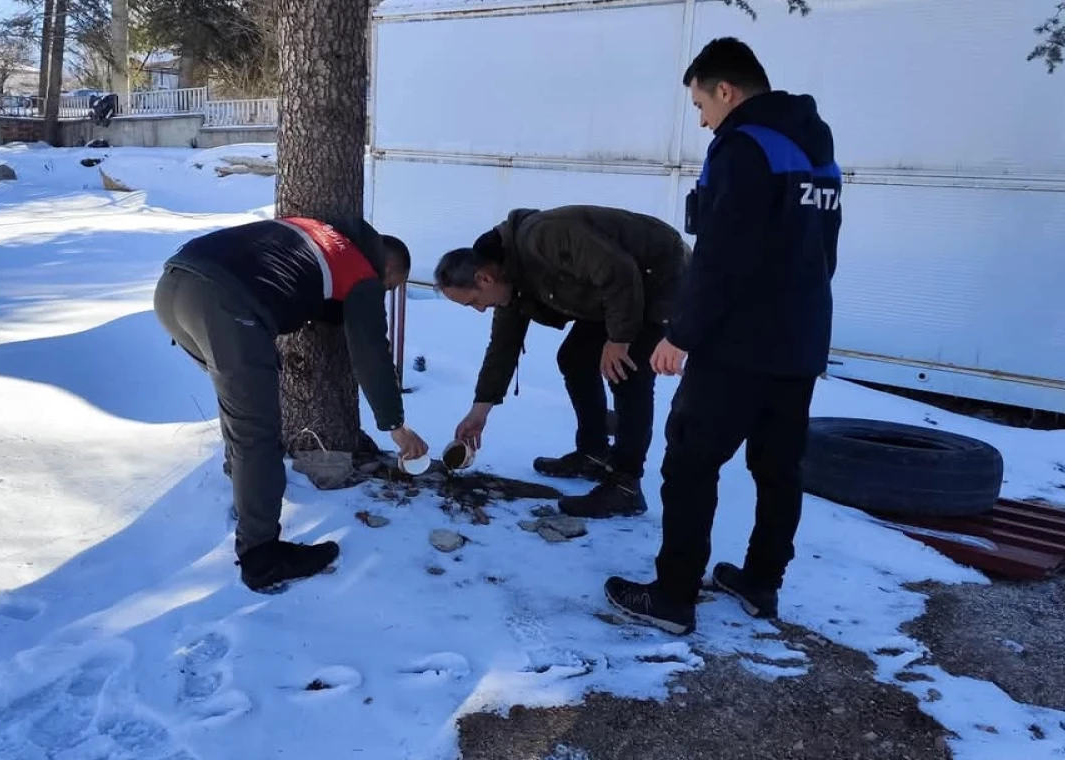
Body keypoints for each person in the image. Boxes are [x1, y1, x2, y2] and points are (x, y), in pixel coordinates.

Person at [605, 37, 843, 634]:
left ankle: (673, 597)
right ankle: (761, 582)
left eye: (700, 104)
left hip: (738, 346)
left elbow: (720, 255)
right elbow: (824, 252)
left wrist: (681, 334)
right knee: (778, 467)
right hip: (800, 339)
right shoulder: (816, 147)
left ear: (725, 90)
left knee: (689, 464)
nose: (702, 119)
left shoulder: (741, 147)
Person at [153, 215, 430, 593]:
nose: (380, 294)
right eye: (388, 287)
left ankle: (244, 484)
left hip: (173, 286)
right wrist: (396, 425)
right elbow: (371, 354)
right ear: (388, 267)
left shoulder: (323, 234)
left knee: (241, 409)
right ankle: (262, 558)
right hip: (225, 302)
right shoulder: (363, 269)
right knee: (259, 433)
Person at [434, 205, 690, 518]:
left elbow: (619, 270)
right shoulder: (509, 279)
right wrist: (480, 408)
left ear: (484, 278)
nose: (479, 309)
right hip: (613, 293)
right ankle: (593, 453)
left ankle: (625, 486)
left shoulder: (544, 237)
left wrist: (619, 339)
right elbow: (503, 346)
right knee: (575, 358)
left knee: (626, 371)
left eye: (473, 301)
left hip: (657, 276)